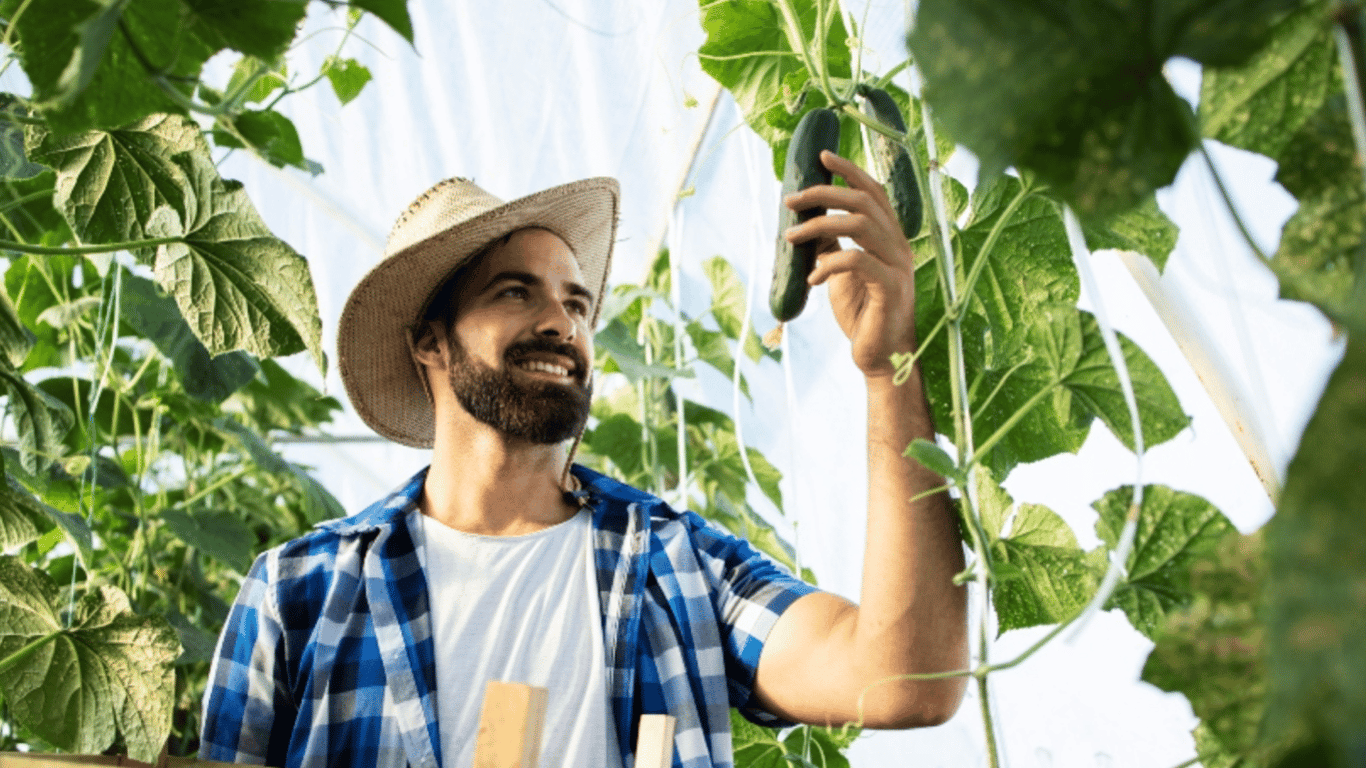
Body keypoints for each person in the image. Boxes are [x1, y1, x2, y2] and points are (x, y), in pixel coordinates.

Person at [200, 151, 968, 768]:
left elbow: (906, 681)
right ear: (430, 341)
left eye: (576, 303)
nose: (561, 323)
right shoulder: (299, 594)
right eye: (514, 292)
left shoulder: (678, 564)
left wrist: (886, 366)